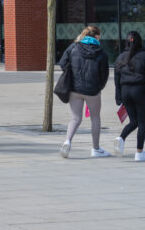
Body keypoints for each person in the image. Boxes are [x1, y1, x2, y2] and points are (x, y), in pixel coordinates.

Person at [58, 25, 112, 158]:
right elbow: (104, 74)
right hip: (92, 90)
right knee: (95, 118)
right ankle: (95, 149)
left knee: (75, 118)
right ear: (97, 36)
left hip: (74, 89)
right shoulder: (101, 52)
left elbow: (62, 63)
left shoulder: (73, 47)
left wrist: (73, 72)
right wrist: (99, 87)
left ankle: (67, 141)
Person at [113, 31, 145, 161]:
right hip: (140, 91)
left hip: (125, 91)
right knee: (142, 122)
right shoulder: (143, 55)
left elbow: (116, 79)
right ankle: (139, 152)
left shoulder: (120, 57)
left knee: (134, 121)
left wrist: (118, 97)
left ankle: (121, 138)